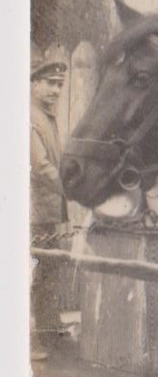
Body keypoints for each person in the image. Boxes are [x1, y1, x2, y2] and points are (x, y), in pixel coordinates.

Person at [31, 47, 70, 361]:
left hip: (49, 209)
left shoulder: (48, 117)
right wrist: (69, 187)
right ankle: (29, 341)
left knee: (49, 269)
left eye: (59, 84)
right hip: (33, 212)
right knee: (32, 274)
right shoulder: (28, 117)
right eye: (50, 83)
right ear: (34, 84)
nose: (56, 89)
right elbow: (41, 166)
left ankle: (48, 329)